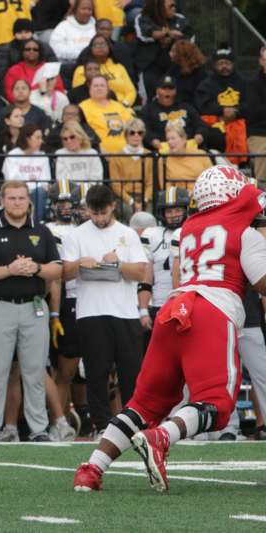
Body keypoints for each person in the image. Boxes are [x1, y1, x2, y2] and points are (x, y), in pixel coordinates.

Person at [73, 166, 266, 492]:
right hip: (212, 310)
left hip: (173, 310)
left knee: (144, 403)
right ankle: (162, 437)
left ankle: (92, 468)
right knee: (217, 404)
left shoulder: (190, 226)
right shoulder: (243, 232)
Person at [0, 180, 62, 442]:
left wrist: (35, 268)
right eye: (11, 198)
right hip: (0, 306)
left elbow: (57, 270)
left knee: (35, 372)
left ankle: (38, 429)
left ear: (29, 201)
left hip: (34, 306)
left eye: (21, 198)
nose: (17, 203)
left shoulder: (42, 232)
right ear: (2, 201)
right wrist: (9, 270)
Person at [62, 184, 147, 435]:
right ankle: (101, 425)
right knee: (96, 371)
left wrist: (118, 264)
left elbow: (140, 272)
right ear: (87, 209)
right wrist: (79, 263)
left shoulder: (127, 234)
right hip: (90, 311)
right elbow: (64, 274)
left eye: (103, 213)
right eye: (94, 213)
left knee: (130, 371)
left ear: (112, 207)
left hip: (125, 312)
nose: (98, 218)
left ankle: (133, 423)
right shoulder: (75, 235)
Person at [45, 179, 83, 433]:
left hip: (81, 298)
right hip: (54, 300)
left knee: (71, 369)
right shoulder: (45, 230)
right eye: (60, 202)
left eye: (69, 202)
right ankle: (56, 420)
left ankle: (68, 416)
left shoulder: (85, 229)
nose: (65, 207)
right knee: (56, 366)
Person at [138, 186, 189, 343]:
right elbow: (146, 277)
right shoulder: (152, 235)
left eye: (177, 210)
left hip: (186, 304)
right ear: (162, 213)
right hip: (160, 304)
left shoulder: (193, 231)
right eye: (169, 211)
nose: (173, 215)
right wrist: (144, 310)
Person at [194, 45, 248, 164]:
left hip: (239, 120)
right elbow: (202, 105)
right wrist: (222, 111)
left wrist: (236, 112)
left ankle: (240, 164)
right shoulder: (206, 84)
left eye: (227, 63)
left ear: (233, 64)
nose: (224, 66)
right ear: (214, 65)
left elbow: (249, 104)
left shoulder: (243, 82)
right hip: (215, 122)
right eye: (220, 63)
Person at [134, 0, 193, 97]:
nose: (174, 8)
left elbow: (189, 38)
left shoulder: (180, 18)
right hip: (150, 65)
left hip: (175, 65)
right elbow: (145, 35)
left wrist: (172, 40)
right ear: (159, 6)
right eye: (171, 6)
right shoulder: (143, 17)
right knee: (150, 96)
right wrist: (167, 34)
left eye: (175, 5)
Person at [140, 75, 205, 152]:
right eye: (164, 88)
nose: (167, 91)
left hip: (189, 149)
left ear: (175, 91)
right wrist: (152, 140)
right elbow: (144, 130)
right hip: (162, 151)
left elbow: (200, 124)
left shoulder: (187, 107)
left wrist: (200, 135)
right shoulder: (148, 110)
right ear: (157, 90)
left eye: (171, 88)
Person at [2, 123, 51, 222]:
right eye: (37, 137)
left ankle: (36, 224)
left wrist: (29, 182)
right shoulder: (13, 155)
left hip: (38, 193)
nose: (41, 141)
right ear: (27, 138)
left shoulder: (43, 157)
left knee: (40, 192)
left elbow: (46, 183)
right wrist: (31, 181)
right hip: (18, 192)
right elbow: (11, 181)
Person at [72, 34, 137, 108]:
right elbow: (79, 94)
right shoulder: (82, 69)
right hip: (94, 108)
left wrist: (124, 105)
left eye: (103, 44)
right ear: (90, 49)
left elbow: (131, 91)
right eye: (96, 44)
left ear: (109, 47)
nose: (100, 46)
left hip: (122, 107)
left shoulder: (119, 67)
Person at [108, 118, 154, 212]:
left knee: (148, 216)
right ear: (126, 135)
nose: (136, 135)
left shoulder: (150, 156)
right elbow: (116, 185)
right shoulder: (116, 157)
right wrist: (131, 201)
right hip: (124, 197)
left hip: (145, 197)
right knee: (128, 212)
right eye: (132, 132)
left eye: (140, 133)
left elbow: (151, 183)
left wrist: (144, 200)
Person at [79, 75, 135, 153]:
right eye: (95, 86)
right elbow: (82, 134)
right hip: (100, 154)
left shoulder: (119, 106)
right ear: (90, 89)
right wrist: (100, 151)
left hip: (126, 153)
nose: (99, 88)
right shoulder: (82, 107)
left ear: (108, 89)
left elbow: (134, 127)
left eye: (102, 85)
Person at [4, 38, 64, 103]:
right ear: (22, 52)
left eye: (35, 50)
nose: (31, 51)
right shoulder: (14, 70)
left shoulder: (50, 69)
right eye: (27, 49)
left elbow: (59, 91)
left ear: (40, 52)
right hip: (22, 106)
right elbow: (10, 94)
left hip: (48, 105)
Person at [158, 124, 213, 190]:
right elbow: (165, 187)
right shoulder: (163, 159)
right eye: (168, 139)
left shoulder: (201, 154)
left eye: (173, 138)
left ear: (184, 139)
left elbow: (212, 178)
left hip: (203, 194)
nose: (170, 142)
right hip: (179, 197)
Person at [49, 0, 96, 65]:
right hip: (68, 64)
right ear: (75, 10)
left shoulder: (96, 27)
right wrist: (82, 54)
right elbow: (56, 49)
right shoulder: (63, 26)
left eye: (89, 9)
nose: (86, 12)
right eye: (83, 9)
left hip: (92, 65)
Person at [245, 46, 266, 189]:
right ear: (261, 61)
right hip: (260, 133)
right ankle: (262, 193)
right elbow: (254, 112)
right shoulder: (252, 84)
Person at [165, 39, 207, 106]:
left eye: (173, 51)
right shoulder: (173, 69)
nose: (170, 54)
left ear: (181, 54)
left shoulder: (200, 73)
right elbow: (166, 83)